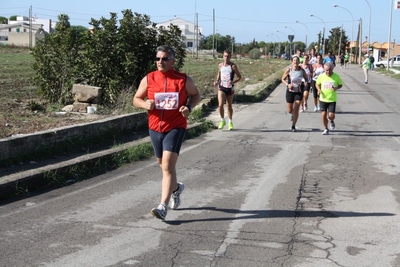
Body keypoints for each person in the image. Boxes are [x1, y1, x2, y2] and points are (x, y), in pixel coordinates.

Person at [133, 45, 200, 220]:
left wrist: (189, 107)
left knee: (168, 166)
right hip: (155, 127)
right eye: (157, 59)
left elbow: (196, 95)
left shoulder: (183, 80)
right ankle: (176, 188)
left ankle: (162, 206)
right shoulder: (149, 78)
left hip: (175, 127)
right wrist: (145, 104)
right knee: (163, 165)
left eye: (164, 59)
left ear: (173, 61)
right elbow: (136, 99)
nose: (160, 62)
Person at [213, 50, 242, 130]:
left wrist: (233, 82)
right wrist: (216, 81)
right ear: (223, 56)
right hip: (221, 87)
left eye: (228, 56)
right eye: (225, 56)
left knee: (229, 106)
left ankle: (230, 122)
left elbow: (239, 77)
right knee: (220, 105)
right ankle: (222, 120)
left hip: (229, 88)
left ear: (230, 57)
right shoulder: (220, 65)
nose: (226, 58)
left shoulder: (233, 66)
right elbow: (219, 73)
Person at [282, 55, 308, 132]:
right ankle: (292, 114)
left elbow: (306, 79)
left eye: (297, 60)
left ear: (299, 62)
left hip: (299, 92)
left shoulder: (302, 71)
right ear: (292, 62)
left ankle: (293, 126)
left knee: (296, 108)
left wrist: (306, 82)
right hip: (290, 91)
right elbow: (282, 79)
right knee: (290, 110)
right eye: (294, 60)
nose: (295, 62)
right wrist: (287, 84)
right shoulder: (289, 70)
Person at [315, 62, 343, 135]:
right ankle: (326, 129)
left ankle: (331, 121)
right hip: (323, 99)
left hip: (332, 99)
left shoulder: (336, 76)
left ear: (332, 69)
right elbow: (317, 83)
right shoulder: (321, 76)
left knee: (331, 115)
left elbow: (340, 85)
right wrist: (319, 89)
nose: (328, 72)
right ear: (324, 69)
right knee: (323, 115)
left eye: (329, 70)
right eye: (326, 70)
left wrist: (336, 87)